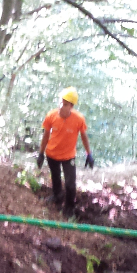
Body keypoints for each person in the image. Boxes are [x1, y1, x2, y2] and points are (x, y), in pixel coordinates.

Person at [36, 87, 93, 216]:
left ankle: (70, 207)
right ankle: (57, 196)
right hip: (52, 154)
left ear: (71, 106)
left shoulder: (79, 119)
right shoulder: (51, 115)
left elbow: (84, 136)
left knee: (70, 184)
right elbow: (45, 135)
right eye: (61, 102)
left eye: (65, 104)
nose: (61, 106)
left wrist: (88, 154)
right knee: (55, 178)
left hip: (69, 156)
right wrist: (41, 153)